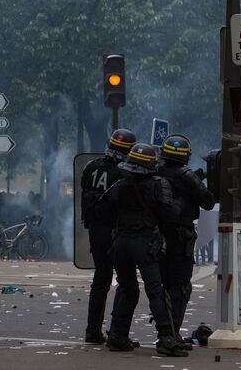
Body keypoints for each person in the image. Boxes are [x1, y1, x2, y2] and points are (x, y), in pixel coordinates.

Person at [105, 143, 187, 357]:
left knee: (127, 288)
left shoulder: (120, 185)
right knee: (155, 290)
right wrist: (180, 200)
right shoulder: (158, 185)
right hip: (144, 242)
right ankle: (167, 339)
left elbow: (103, 209)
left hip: (121, 242)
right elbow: (171, 216)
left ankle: (117, 336)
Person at [156, 134, 215, 350]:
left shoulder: (154, 170)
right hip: (181, 237)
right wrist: (194, 186)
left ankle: (165, 332)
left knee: (161, 286)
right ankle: (173, 334)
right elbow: (208, 202)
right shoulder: (187, 176)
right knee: (180, 287)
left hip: (157, 236)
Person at [81, 128, 136, 344]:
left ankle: (92, 330)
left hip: (96, 230)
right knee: (126, 282)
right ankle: (117, 332)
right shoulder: (125, 174)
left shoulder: (91, 167)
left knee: (101, 280)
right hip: (116, 232)